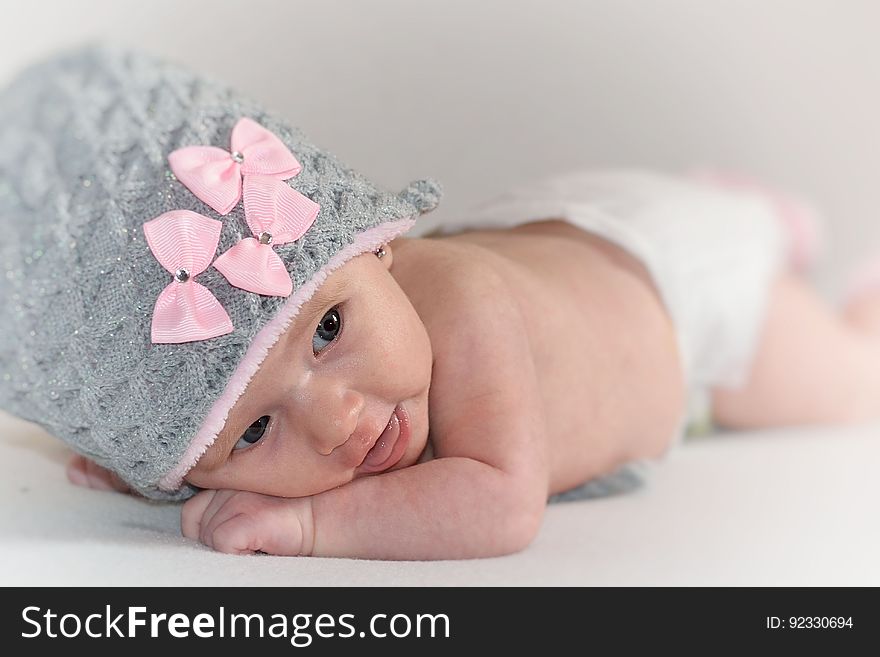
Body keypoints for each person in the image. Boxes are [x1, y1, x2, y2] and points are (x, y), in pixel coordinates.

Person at [3, 46, 878, 560]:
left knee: (843, 382)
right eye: (253, 432)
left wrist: (309, 520)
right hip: (569, 246)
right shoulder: (287, 389)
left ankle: (797, 259)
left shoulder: (465, 301)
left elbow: (503, 502)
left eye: (332, 330)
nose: (338, 417)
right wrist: (140, 466)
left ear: (375, 247)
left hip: (681, 302)